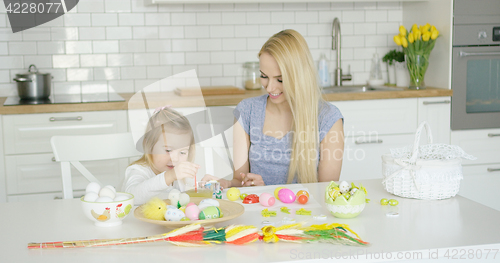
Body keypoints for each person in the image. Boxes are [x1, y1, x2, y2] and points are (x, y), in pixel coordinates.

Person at [203, 29, 344, 188]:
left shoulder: (328, 118)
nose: (270, 88)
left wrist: (270, 192)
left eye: (280, 79)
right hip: (260, 211)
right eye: (264, 76)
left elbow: (326, 191)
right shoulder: (247, 111)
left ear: (300, 77)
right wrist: (227, 183)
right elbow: (240, 180)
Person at [122, 106, 200, 204]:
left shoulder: (177, 176)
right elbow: (132, 197)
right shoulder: (139, 171)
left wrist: (207, 186)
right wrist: (168, 177)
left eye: (182, 152)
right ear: (149, 146)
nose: (175, 159)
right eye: (168, 150)